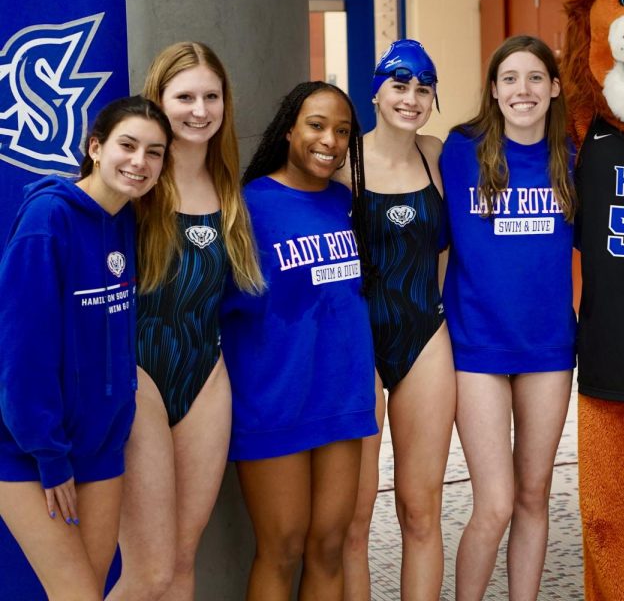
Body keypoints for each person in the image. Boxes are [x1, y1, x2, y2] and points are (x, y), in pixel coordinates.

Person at [109, 43, 263, 601]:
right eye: (184, 97)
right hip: (138, 378)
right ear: (159, 100)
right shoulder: (136, 181)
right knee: (146, 570)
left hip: (206, 379)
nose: (199, 110)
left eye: (211, 96)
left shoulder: (229, 188)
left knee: (181, 556)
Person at [0, 96, 171, 600]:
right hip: (30, 451)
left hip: (99, 446)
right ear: (95, 148)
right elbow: (20, 355)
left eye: (155, 152)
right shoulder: (47, 221)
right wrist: (49, 454)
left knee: (88, 591)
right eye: (127, 145)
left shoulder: (123, 219)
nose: (139, 161)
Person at [222, 81, 377, 600]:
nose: (329, 140)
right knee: (282, 548)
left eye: (341, 130)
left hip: (341, 397)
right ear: (289, 129)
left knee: (329, 546)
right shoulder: (248, 206)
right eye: (316, 125)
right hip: (274, 402)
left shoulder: (344, 203)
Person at [438, 35, 576, 601]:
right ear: (493, 90)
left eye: (536, 78)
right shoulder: (456, 150)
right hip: (477, 347)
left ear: (555, 88)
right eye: (511, 79)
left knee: (534, 494)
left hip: (547, 348)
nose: (524, 90)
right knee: (494, 503)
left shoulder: (572, 158)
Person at [343, 41, 454, 601]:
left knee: (421, 506)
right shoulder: (344, 162)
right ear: (376, 90)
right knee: (355, 517)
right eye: (400, 85)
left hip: (424, 333)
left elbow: (448, 249)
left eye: (423, 88)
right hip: (357, 342)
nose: (411, 98)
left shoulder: (436, 154)